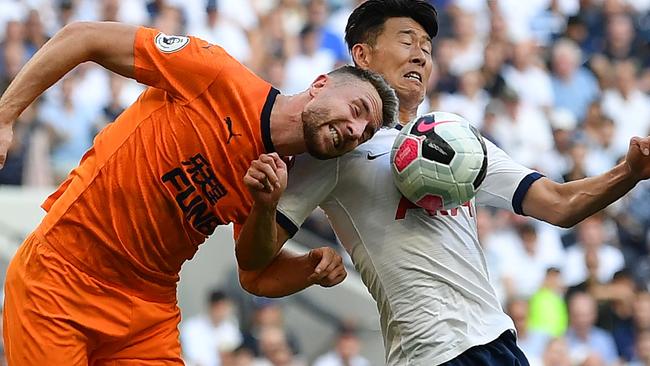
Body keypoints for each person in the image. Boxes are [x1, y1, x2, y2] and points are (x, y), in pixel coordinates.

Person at [234, 0, 650, 365]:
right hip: (430, 352)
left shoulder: (455, 140)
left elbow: (559, 205)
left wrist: (628, 171)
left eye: (427, 48)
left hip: (500, 343)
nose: (420, 55)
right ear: (362, 54)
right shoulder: (336, 145)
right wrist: (278, 223)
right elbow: (254, 268)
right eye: (406, 40)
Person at [0, 21, 399, 365]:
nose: (354, 129)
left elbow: (254, 273)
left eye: (364, 133)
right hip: (60, 277)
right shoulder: (215, 74)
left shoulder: (283, 178)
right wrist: (5, 115)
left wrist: (304, 265)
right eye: (358, 109)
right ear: (319, 84)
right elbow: (82, 36)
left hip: (146, 310)